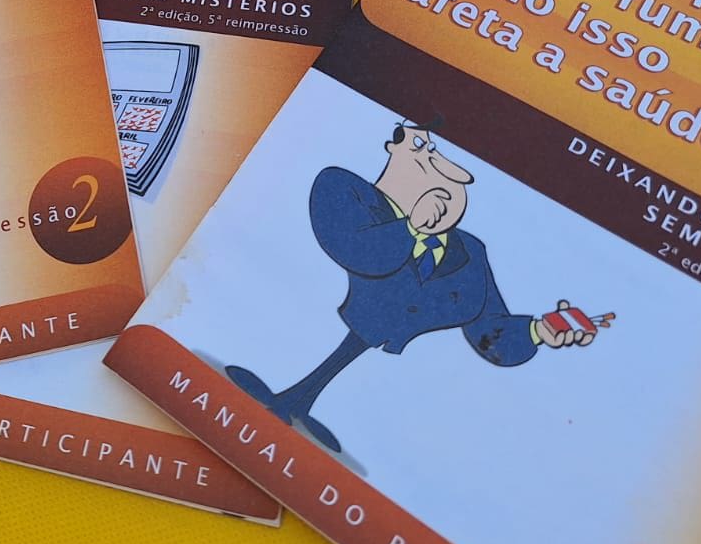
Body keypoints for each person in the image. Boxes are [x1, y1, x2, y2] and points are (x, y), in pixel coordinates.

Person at [227, 120, 599, 453]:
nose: (434, 161)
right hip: (277, 312)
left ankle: (298, 399)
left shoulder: (470, 253)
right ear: (395, 145)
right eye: (422, 145)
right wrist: (409, 227)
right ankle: (294, 397)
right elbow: (353, 248)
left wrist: (537, 331)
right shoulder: (345, 189)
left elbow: (488, 330)